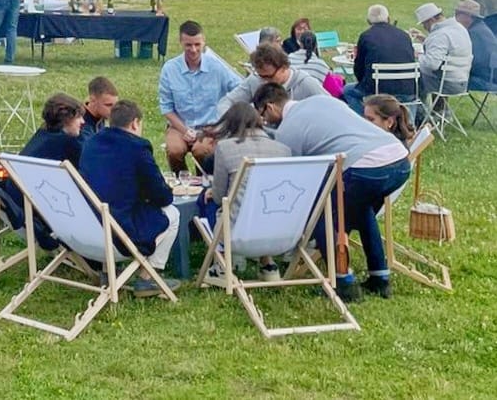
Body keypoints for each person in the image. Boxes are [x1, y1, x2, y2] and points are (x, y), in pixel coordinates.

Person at [254, 82, 410, 301]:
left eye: (263, 115)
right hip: (399, 160)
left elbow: (295, 177)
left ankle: (344, 283)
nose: (265, 121)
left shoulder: (287, 130)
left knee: (324, 218)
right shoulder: (321, 100)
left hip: (365, 166)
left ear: (270, 108)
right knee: (362, 211)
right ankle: (379, 277)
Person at [78, 101, 181, 297]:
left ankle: (108, 273)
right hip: (118, 234)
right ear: (135, 123)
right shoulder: (137, 147)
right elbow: (162, 196)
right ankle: (148, 277)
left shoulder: (91, 142)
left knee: (111, 202)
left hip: (89, 228)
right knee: (172, 214)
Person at [200, 102, 290, 280]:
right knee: (264, 205)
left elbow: (219, 197)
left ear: (230, 124)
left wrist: (211, 191)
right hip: (280, 230)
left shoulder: (226, 148)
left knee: (211, 201)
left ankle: (222, 264)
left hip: (238, 231)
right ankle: (268, 264)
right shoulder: (283, 150)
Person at [158, 20, 242, 172]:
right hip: (180, 125)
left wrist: (225, 118)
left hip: (210, 126)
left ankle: (204, 182)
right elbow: (166, 108)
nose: (194, 50)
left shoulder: (216, 67)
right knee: (174, 150)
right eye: (188, 45)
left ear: (204, 42)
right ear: (181, 43)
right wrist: (184, 130)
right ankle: (181, 182)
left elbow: (240, 88)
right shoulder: (170, 69)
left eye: (197, 44)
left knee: (201, 151)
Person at [216, 42, 325, 118]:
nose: (264, 82)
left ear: (283, 67)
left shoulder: (306, 84)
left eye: (269, 76)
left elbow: (332, 108)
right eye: (260, 76)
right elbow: (227, 102)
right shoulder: (255, 80)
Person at [343, 4, 415, 116]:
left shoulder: (366, 36)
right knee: (410, 98)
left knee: (348, 91)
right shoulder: (404, 35)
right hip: (407, 90)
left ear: (368, 21)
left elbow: (359, 68)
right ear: (388, 19)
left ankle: (366, 123)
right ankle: (410, 126)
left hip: (377, 91)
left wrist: (362, 81)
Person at [412, 2, 472, 103]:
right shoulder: (460, 28)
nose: (424, 27)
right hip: (462, 80)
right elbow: (448, 49)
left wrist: (417, 56)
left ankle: (419, 114)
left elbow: (432, 64)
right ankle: (440, 112)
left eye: (424, 24)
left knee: (413, 78)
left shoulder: (440, 35)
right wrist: (425, 40)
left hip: (445, 84)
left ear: (431, 20)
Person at [19, 93, 84, 166]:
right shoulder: (67, 143)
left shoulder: (41, 135)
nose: (82, 121)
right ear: (66, 118)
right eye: (78, 117)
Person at [453, 0, 497, 94]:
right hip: (489, 77)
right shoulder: (479, 28)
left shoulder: (474, 34)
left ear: (468, 16)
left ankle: (439, 108)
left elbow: (472, 63)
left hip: (485, 80)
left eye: (458, 14)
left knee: (441, 77)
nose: (455, 17)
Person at [78, 76, 119, 141]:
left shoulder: (100, 116)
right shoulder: (80, 125)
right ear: (92, 99)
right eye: (108, 105)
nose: (114, 110)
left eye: (115, 105)